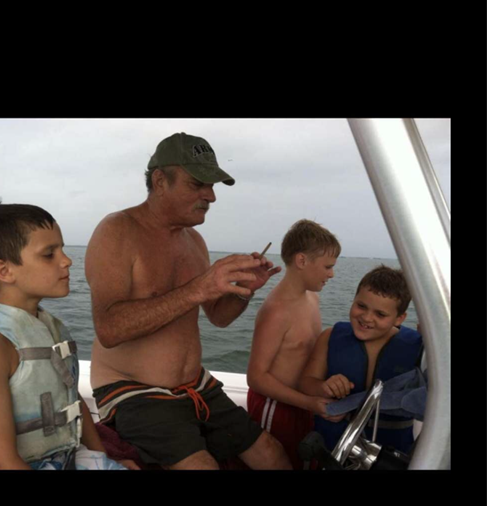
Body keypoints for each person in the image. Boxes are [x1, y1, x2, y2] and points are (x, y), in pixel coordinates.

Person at [86, 131, 293, 470]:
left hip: (196, 385)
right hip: (134, 391)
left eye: (212, 186)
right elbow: (109, 328)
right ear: (159, 180)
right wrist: (199, 288)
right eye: (198, 184)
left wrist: (244, 291)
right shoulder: (116, 231)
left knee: (272, 453)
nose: (210, 195)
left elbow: (219, 316)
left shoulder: (194, 241)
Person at [0, 203, 133, 470]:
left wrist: (104, 460)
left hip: (67, 456)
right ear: (4, 271)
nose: (67, 260)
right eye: (49, 254)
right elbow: (1, 461)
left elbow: (72, 400)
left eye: (61, 248)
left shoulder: (51, 328)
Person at [247, 219, 343, 469]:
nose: (332, 274)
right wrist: (309, 403)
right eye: (327, 267)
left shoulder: (312, 297)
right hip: (275, 408)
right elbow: (256, 377)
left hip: (302, 404)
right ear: (302, 261)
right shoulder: (277, 311)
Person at [298, 265, 423, 456]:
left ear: (400, 318)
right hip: (332, 448)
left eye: (380, 314)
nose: (366, 317)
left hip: (391, 453)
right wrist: (324, 386)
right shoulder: (330, 336)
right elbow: (306, 383)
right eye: (361, 306)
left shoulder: (418, 347)